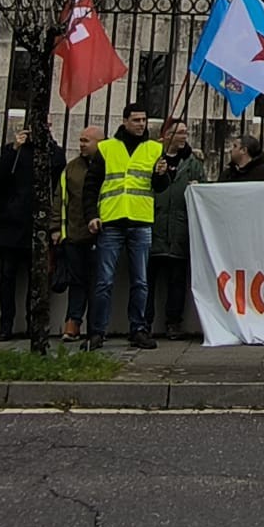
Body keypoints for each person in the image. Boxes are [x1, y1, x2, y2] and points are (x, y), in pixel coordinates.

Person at [80, 101, 167, 351]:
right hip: (112, 221)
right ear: (125, 121)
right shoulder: (107, 148)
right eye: (136, 120)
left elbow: (160, 187)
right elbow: (91, 186)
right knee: (104, 281)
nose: (141, 124)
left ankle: (138, 329)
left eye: (144, 120)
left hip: (140, 221)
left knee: (141, 281)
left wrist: (161, 174)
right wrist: (91, 215)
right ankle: (96, 332)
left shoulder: (154, 149)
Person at [0, 116, 60, 340]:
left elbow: (58, 183)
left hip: (38, 225)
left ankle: (34, 325)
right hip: (11, 223)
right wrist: (14, 149)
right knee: (7, 277)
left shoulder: (53, 152)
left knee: (37, 279)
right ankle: (6, 324)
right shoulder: (13, 151)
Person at [148, 120, 206, 339]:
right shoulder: (153, 158)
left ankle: (174, 322)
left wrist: (198, 188)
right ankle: (144, 322)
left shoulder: (192, 163)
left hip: (180, 229)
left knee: (177, 281)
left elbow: (205, 189)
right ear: (167, 135)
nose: (184, 136)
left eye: (185, 132)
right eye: (180, 132)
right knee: (147, 280)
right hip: (154, 225)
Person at [55, 125, 103, 340]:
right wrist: (55, 227)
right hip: (74, 233)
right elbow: (60, 198)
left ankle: (96, 326)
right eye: (81, 140)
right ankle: (73, 322)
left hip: (100, 234)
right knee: (76, 281)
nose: (81, 144)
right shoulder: (71, 168)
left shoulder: (107, 166)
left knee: (98, 282)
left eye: (86, 140)